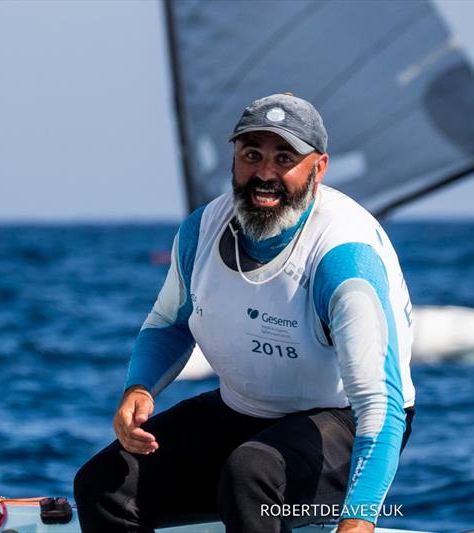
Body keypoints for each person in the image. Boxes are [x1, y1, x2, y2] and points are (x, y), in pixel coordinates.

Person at [74, 94, 416, 533]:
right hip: (244, 412)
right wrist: (138, 388)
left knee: (248, 474)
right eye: (252, 154)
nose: (265, 173)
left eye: (284, 157)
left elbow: (380, 406)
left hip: (346, 419)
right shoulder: (201, 230)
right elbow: (170, 324)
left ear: (319, 167)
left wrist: (360, 518)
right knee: (102, 484)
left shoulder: (342, 258)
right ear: (233, 157)